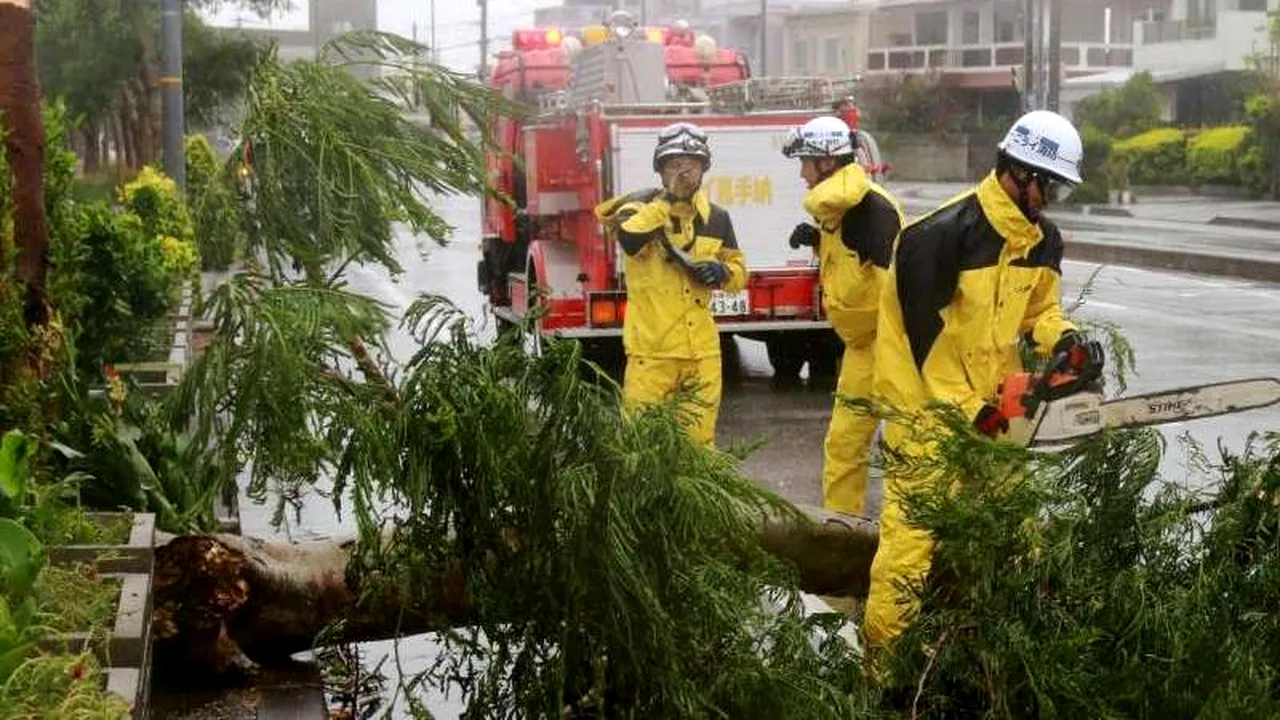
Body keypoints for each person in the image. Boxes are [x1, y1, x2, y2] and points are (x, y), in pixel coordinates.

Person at [866, 110, 1105, 647]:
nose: (1053, 203)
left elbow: (1038, 311)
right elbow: (926, 346)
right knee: (909, 551)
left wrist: (1064, 339)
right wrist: (972, 408)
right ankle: (883, 675)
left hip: (994, 409)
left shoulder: (1042, 241)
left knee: (1013, 532)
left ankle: (993, 652)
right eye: (1052, 189)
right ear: (1019, 174)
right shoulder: (937, 237)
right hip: (925, 416)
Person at [593, 122, 747, 446]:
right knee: (642, 447)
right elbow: (631, 241)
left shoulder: (716, 217)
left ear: (703, 169)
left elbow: (739, 270)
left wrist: (722, 272)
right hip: (652, 355)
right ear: (660, 171)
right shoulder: (637, 210)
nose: (684, 172)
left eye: (691, 165)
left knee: (699, 449)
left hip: (702, 356)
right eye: (675, 164)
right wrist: (666, 202)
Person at [781, 116, 903, 518]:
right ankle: (842, 530)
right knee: (844, 444)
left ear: (827, 163)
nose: (802, 172)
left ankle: (909, 539)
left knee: (905, 449)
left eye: (806, 163)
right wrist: (818, 238)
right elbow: (855, 264)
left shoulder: (872, 211)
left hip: (893, 347)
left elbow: (897, 290)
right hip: (862, 348)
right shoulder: (838, 209)